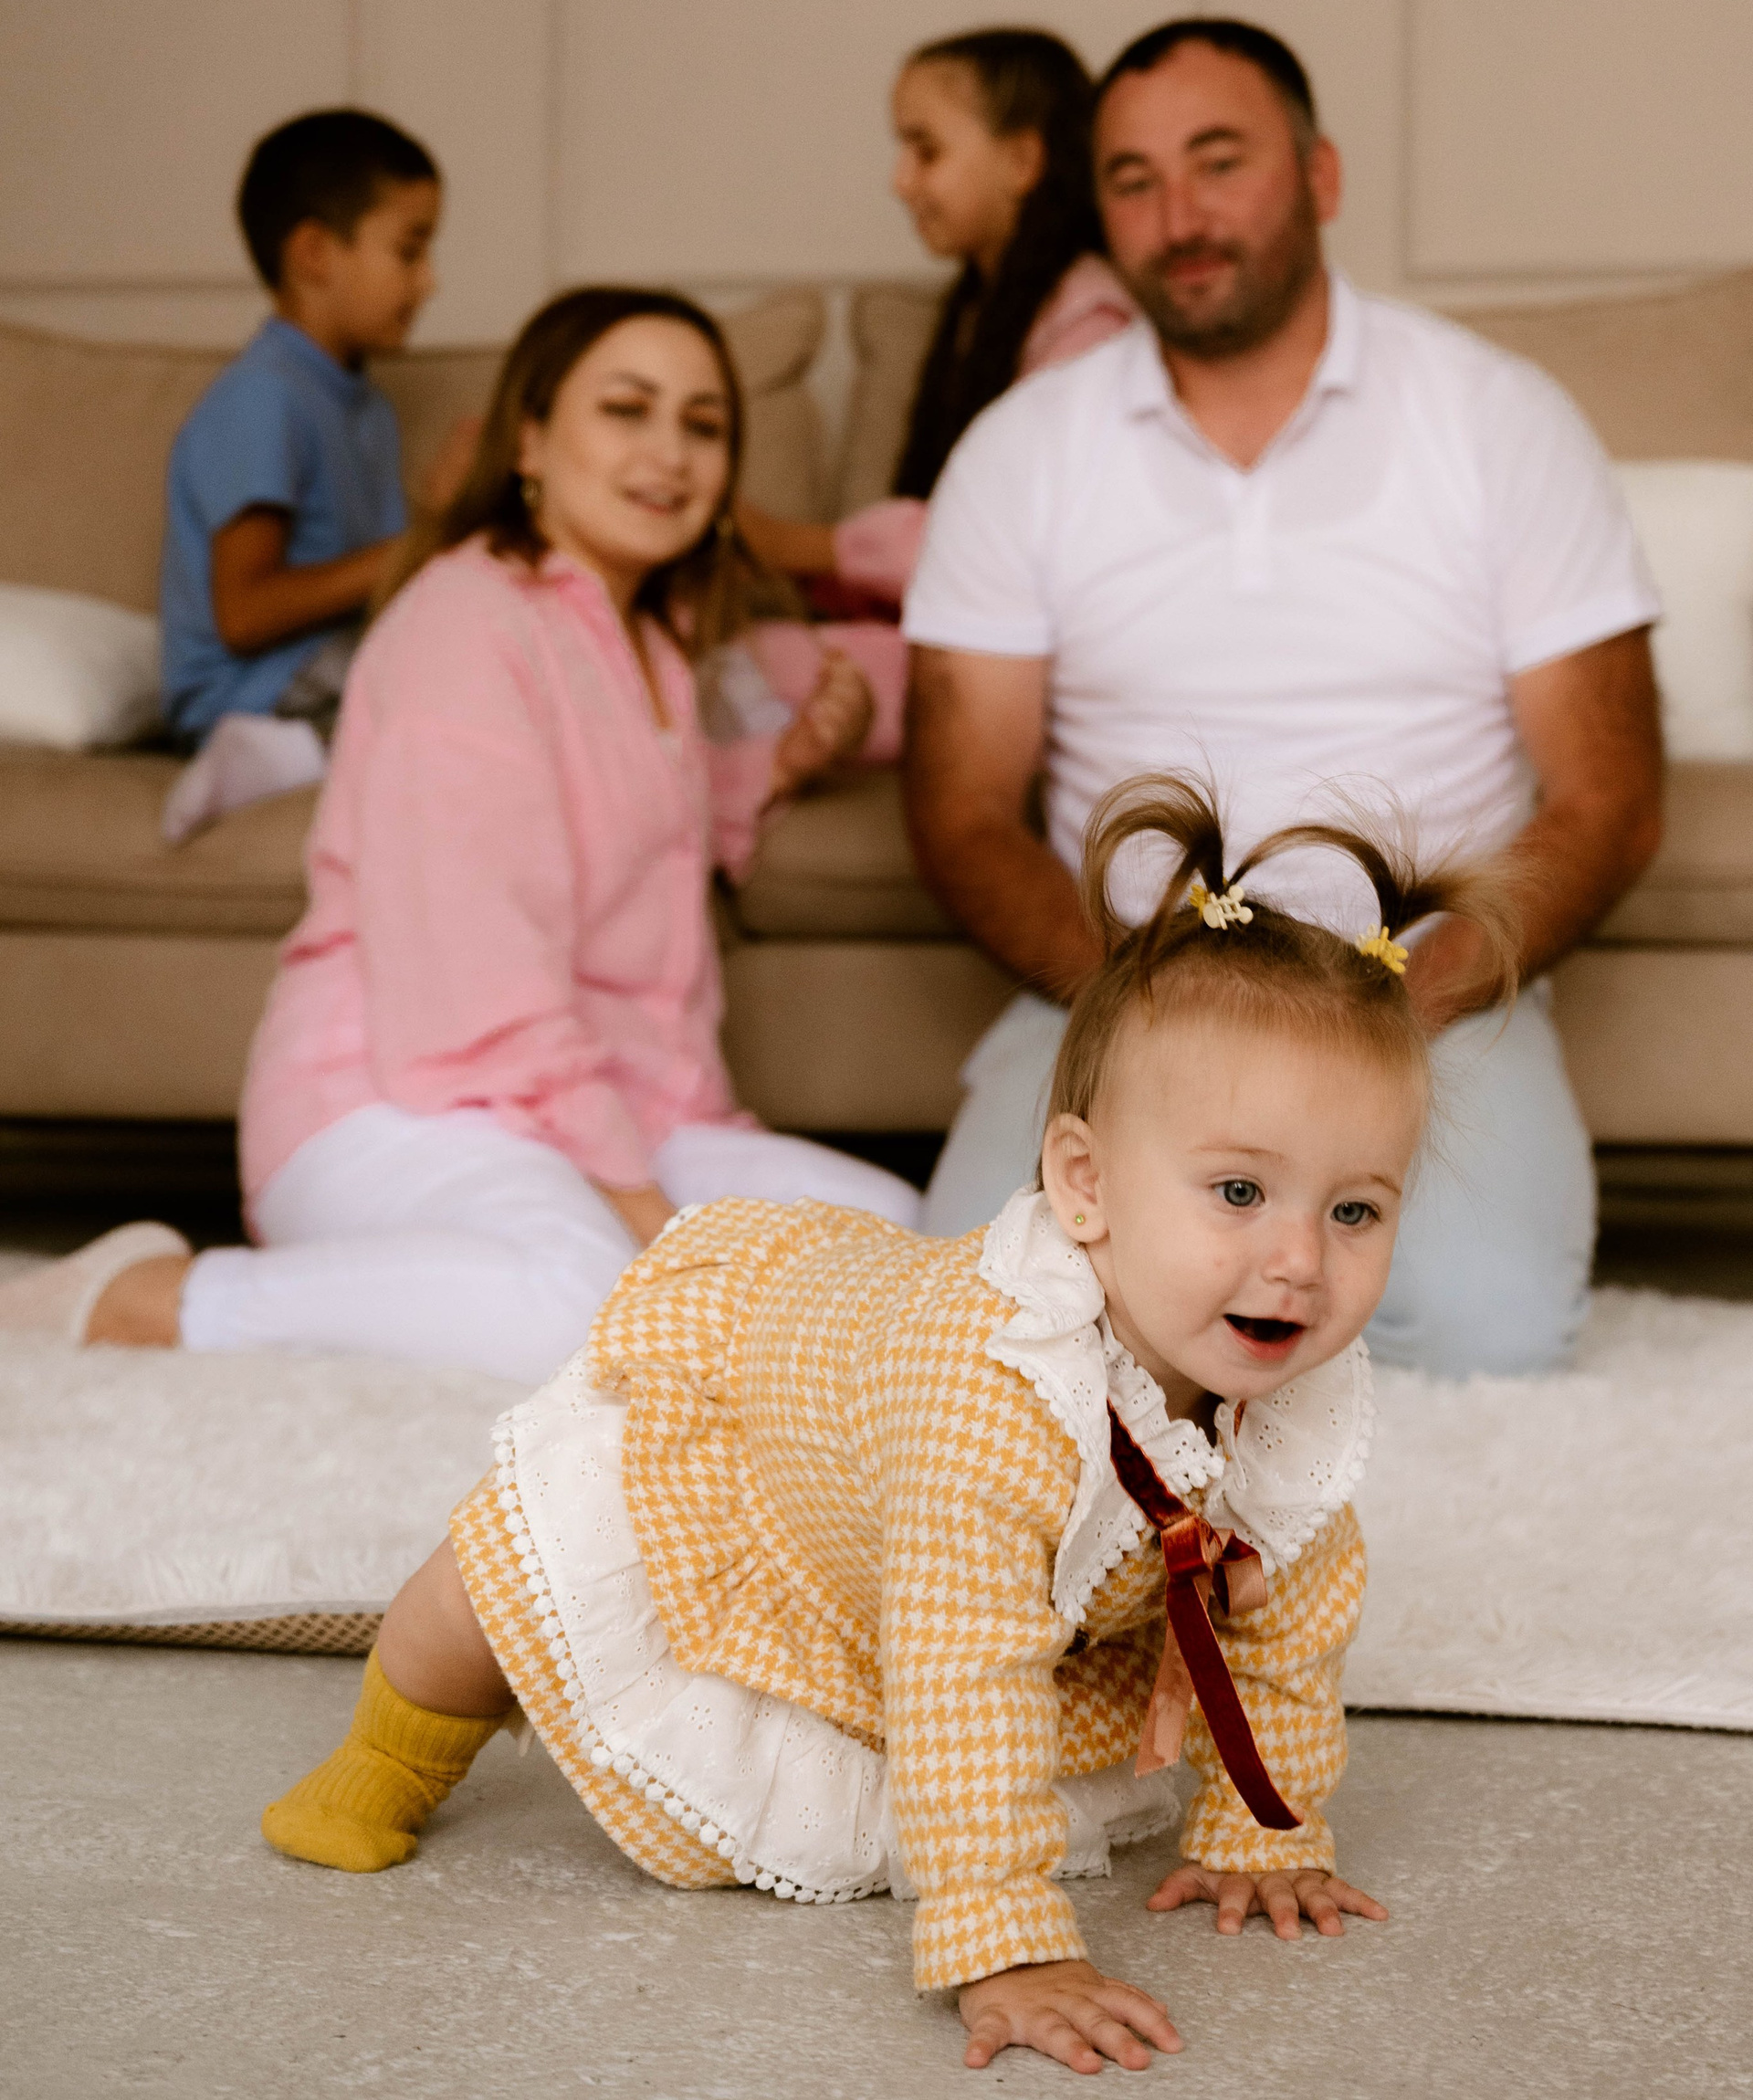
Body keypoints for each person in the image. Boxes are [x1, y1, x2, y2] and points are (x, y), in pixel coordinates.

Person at [257, 777, 1516, 2073]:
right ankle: (388, 1748)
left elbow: (1290, 1613)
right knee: (507, 1581)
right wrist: (1007, 1940)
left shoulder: (1283, 1397)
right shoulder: (995, 1404)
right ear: (1084, 1183)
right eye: (1240, 1191)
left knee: (1095, 1630)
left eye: (1355, 1211)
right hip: (780, 1426)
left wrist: (1267, 1827)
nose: (1300, 1260)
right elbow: (964, 1666)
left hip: (928, 1558)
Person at [902, 17, 1664, 1379]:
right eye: (1134, 180)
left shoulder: (1498, 416)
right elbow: (960, 808)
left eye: (1220, 162)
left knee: (1489, 1329)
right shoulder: (1020, 452)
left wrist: (1392, 1013)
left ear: (1319, 175)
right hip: (1124, 981)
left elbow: (1609, 795)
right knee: (974, 1327)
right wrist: (1145, 1003)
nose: (1179, 216)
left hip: (1422, 987)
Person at [3, 289, 913, 1380]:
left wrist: (781, 765)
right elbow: (479, 979)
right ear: (529, 440)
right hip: (403, 1101)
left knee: (894, 1231)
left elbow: (629, 823)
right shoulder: (465, 618)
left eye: (703, 423)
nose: (670, 452)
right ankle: (158, 1297)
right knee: (587, 1303)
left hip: (617, 1105)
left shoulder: (654, 643)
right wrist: (647, 1219)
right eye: (627, 408)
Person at [729, 29, 1134, 763]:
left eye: (926, 150)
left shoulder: (1090, 327)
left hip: (1033, 662)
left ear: (1023, 161)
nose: (900, 181)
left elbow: (1016, 551)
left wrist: (796, 545)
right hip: (963, 636)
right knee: (725, 657)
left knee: (748, 670)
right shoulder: (979, 311)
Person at [158, 107, 470, 842]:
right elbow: (244, 613)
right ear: (315, 253)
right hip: (249, 689)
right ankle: (265, 756)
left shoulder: (364, 404)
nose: (428, 282)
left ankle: (313, 751)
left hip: (324, 668)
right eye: (409, 251)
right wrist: (429, 538)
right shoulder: (264, 397)